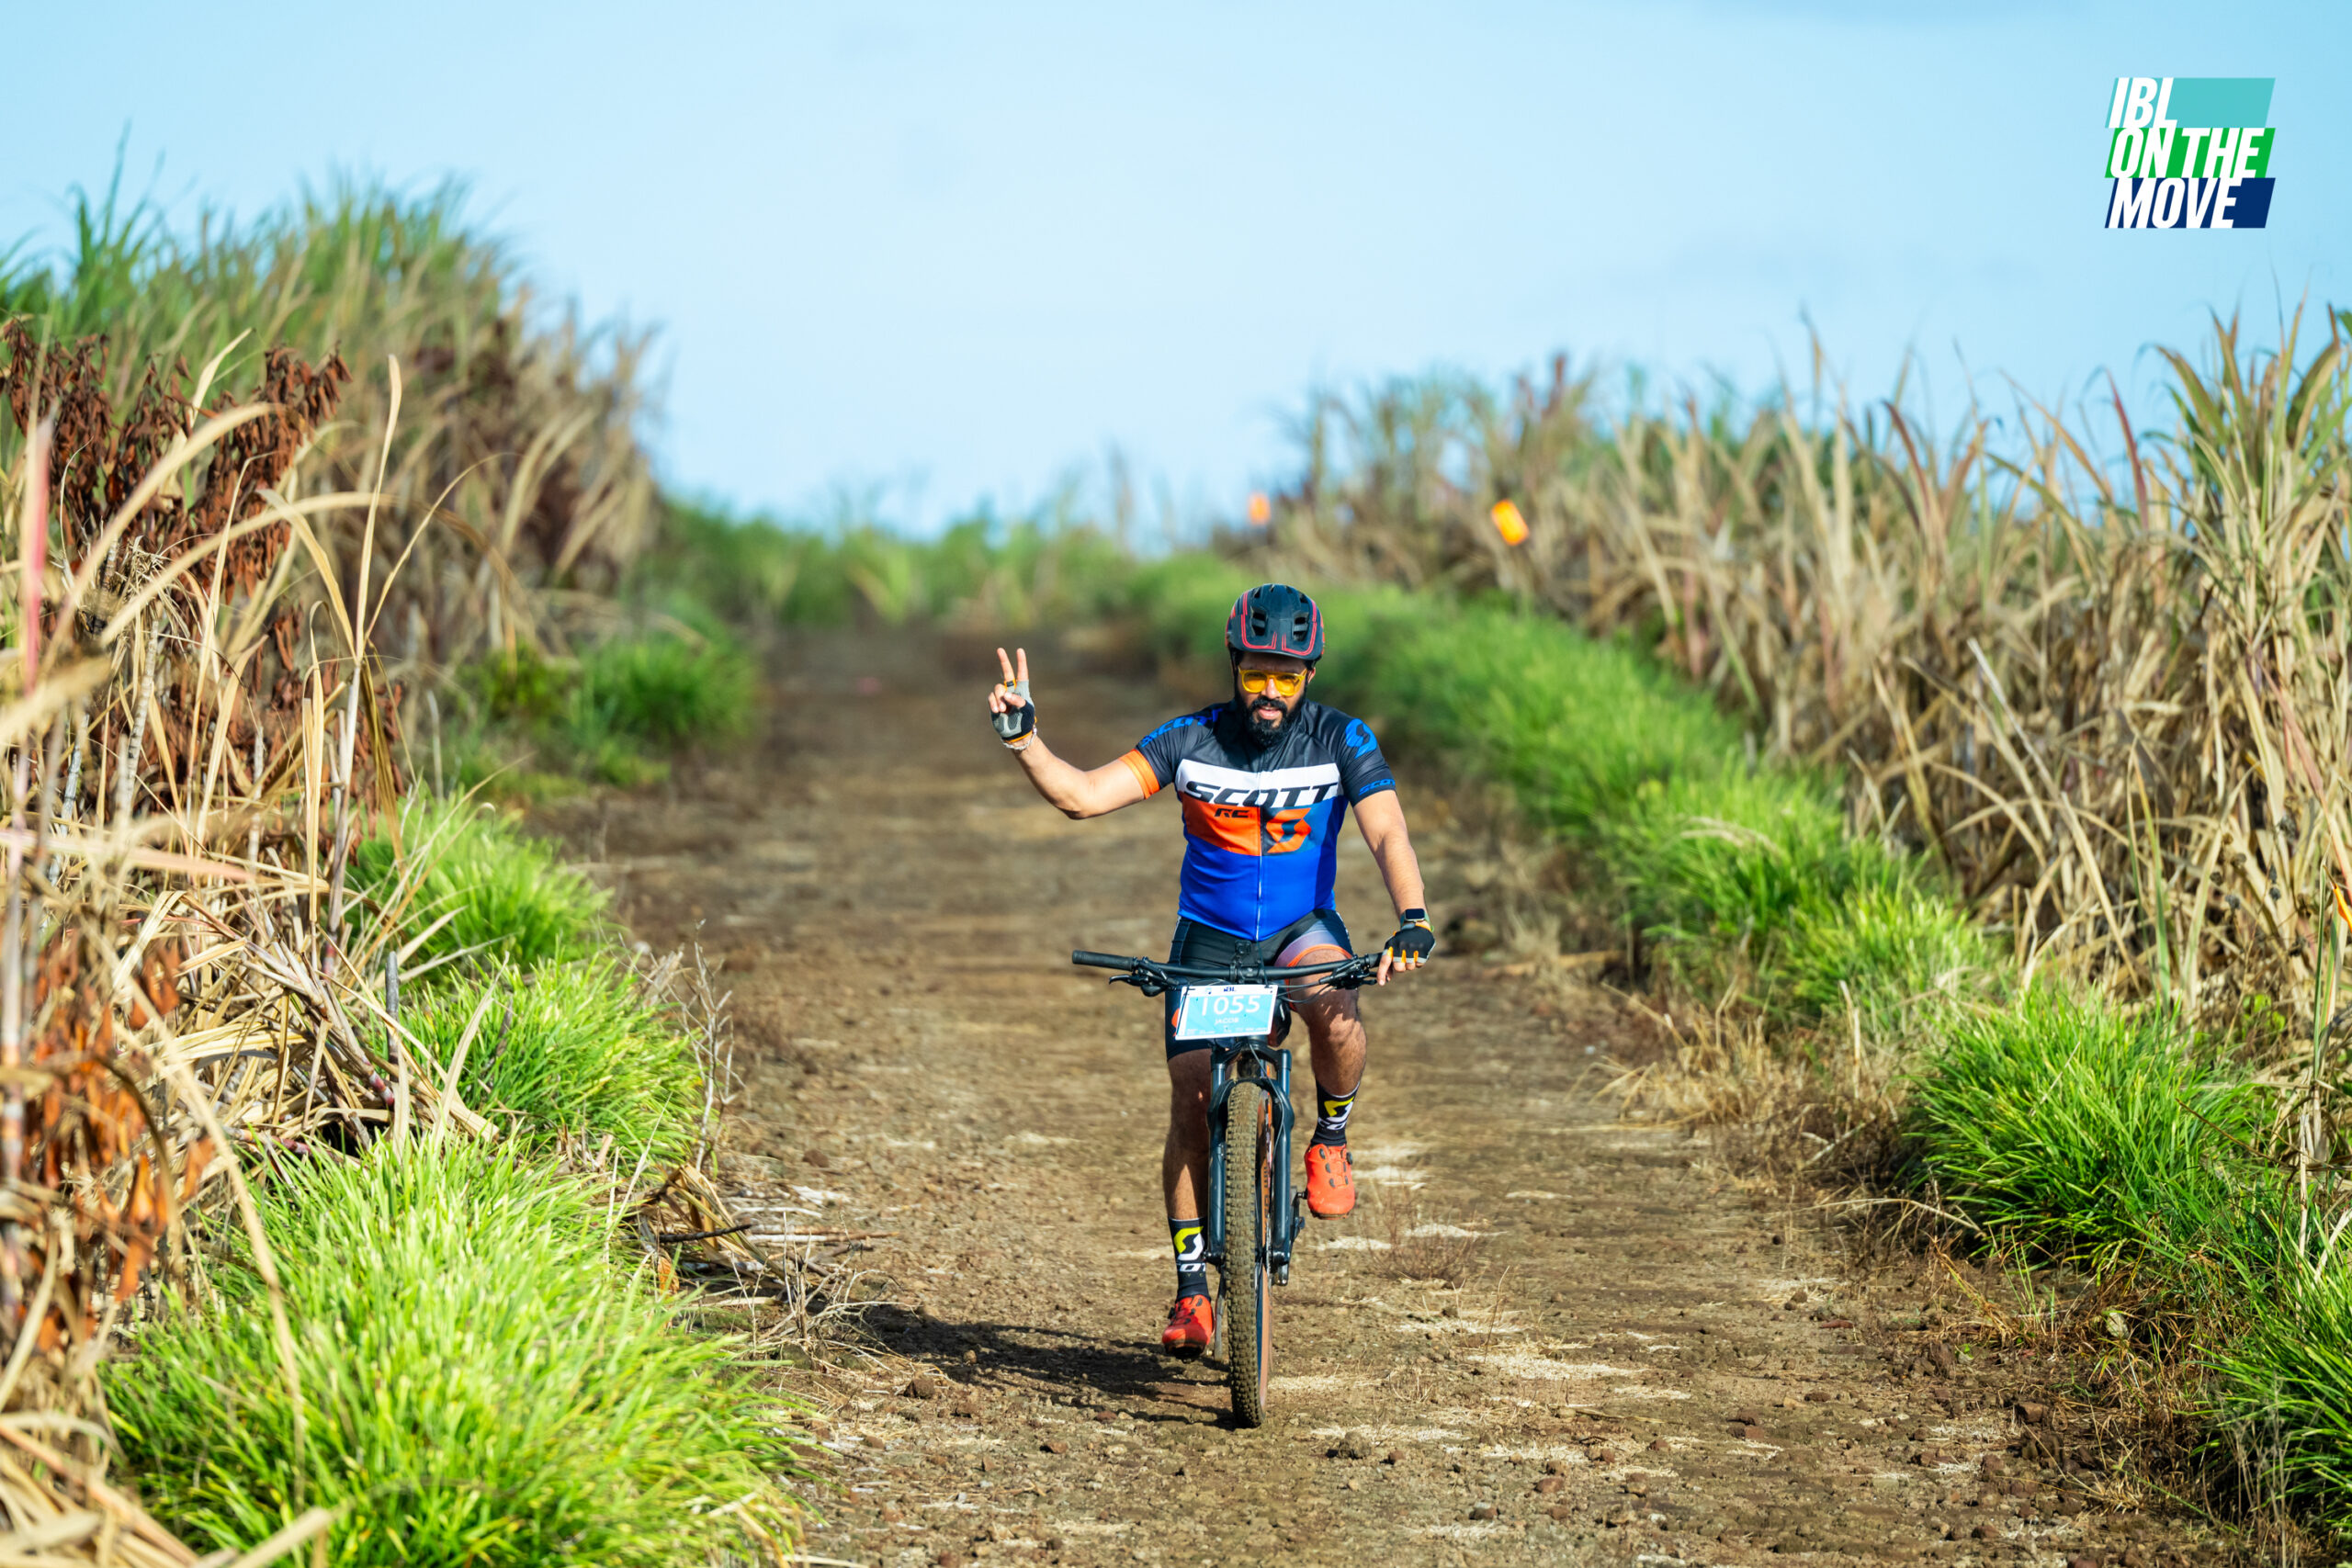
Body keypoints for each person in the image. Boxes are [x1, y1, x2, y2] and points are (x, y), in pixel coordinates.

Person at [984, 582, 1434, 1355]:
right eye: (1257, 673)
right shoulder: (1189, 739)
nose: (1270, 691)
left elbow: (1387, 831)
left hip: (1299, 930)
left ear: (1309, 676)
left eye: (1286, 676)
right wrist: (1025, 739)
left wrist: (1413, 916)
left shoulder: (1342, 738)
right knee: (1193, 1098)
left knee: (1334, 1005)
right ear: (1234, 666)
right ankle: (1193, 1288)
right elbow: (1083, 796)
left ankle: (1330, 1135)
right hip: (1210, 939)